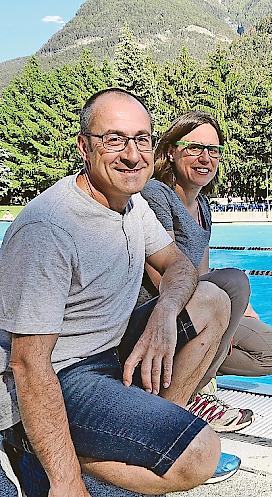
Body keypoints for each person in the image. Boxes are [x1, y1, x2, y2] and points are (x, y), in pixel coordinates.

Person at [0, 88, 239, 496]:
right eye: (114, 139)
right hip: (64, 373)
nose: (132, 154)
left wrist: (164, 315)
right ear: (84, 147)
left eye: (141, 139)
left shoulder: (130, 203)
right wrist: (67, 482)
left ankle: (158, 432)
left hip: (111, 351)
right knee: (200, 454)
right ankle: (39, 446)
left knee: (214, 300)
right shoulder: (50, 229)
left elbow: (178, 264)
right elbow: (28, 365)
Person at [140, 110, 272, 432]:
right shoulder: (156, 194)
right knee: (235, 281)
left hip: (197, 312)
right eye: (194, 147)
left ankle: (191, 378)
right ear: (170, 151)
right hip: (157, 317)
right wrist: (225, 310)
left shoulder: (204, 206)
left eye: (213, 150)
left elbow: (204, 272)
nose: (204, 157)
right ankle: (190, 397)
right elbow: (160, 278)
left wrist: (236, 314)